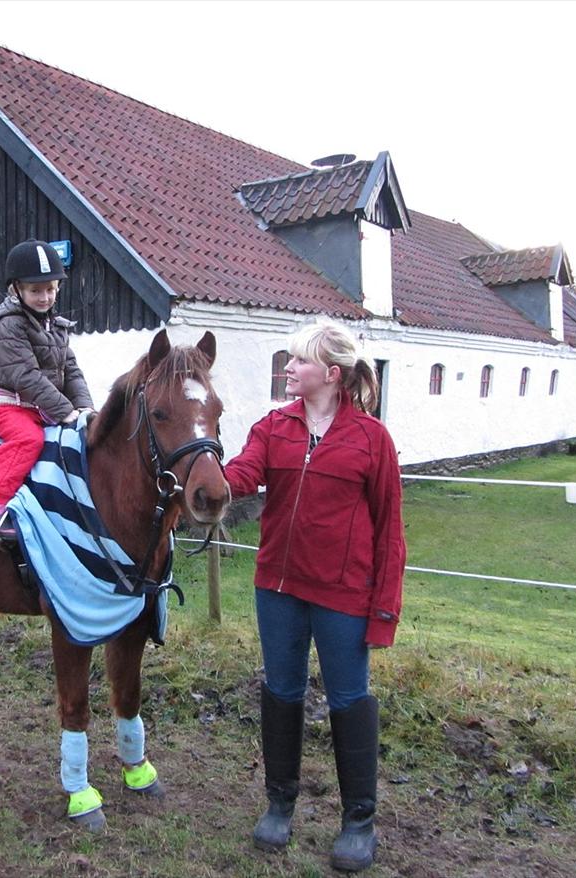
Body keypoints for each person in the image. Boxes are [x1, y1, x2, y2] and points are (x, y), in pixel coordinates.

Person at [223, 318, 405, 873]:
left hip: (344, 594)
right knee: (281, 690)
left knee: (350, 700)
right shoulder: (273, 426)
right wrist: (203, 476)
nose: (289, 369)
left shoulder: (372, 439)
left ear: (330, 372)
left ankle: (358, 820)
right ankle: (280, 803)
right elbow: (242, 473)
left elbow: (390, 531)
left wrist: (383, 612)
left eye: (298, 361)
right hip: (277, 587)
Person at [0, 239, 95, 545]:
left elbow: (73, 371)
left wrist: (85, 408)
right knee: (29, 440)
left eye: (51, 289)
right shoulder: (8, 325)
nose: (45, 297)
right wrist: (65, 410)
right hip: (12, 407)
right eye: (35, 290)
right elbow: (24, 375)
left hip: (44, 409)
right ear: (16, 289)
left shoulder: (56, 326)